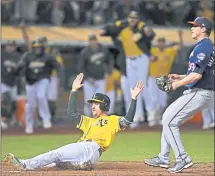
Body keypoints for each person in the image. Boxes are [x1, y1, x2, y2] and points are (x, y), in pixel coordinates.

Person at [5, 73, 144, 171]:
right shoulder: (89, 121)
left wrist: (133, 99)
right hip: (86, 152)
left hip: (91, 148)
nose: (93, 106)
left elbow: (128, 120)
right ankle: (82, 164)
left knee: (56, 154)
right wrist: (74, 91)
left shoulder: (112, 120)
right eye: (92, 103)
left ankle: (25, 164)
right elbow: (72, 113)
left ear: (104, 106)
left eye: (96, 103)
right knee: (56, 163)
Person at [144, 17, 214, 173]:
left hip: (200, 91)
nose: (192, 28)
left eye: (195, 26)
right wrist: (181, 77)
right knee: (167, 117)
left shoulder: (203, 47)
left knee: (169, 121)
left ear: (203, 29)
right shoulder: (206, 46)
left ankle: (182, 158)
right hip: (201, 91)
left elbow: (197, 76)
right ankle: (163, 157)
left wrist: (176, 85)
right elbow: (199, 72)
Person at [100, 11, 156, 128]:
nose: (132, 20)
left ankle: (151, 112)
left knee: (142, 85)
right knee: (133, 88)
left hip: (141, 58)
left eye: (135, 18)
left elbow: (149, 33)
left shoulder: (140, 29)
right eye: (130, 18)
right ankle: (137, 115)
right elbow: (111, 27)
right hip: (129, 60)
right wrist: (108, 28)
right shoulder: (123, 30)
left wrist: (145, 29)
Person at [15, 40, 60, 134]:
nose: (37, 49)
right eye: (35, 47)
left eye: (39, 47)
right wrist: (19, 68)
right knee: (30, 105)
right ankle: (29, 125)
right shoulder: (28, 56)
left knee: (41, 96)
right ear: (33, 48)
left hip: (43, 79)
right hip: (30, 81)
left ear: (42, 48)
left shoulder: (47, 56)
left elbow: (57, 66)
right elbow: (20, 66)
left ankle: (46, 119)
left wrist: (57, 74)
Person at [147, 30, 184, 126]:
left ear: (164, 43)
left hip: (164, 79)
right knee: (153, 99)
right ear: (157, 43)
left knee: (162, 101)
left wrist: (180, 36)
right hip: (153, 78)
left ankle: (158, 117)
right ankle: (151, 118)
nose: (161, 44)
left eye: (162, 42)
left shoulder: (169, 51)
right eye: (159, 42)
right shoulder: (153, 51)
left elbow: (180, 47)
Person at [79, 34, 114, 116]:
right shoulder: (85, 52)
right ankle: (87, 118)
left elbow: (110, 60)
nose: (93, 42)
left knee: (99, 101)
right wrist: (87, 77)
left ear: (96, 40)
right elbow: (81, 67)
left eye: (94, 40)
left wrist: (108, 72)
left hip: (101, 78)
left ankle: (99, 119)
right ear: (89, 42)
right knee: (88, 100)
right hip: (89, 80)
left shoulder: (103, 49)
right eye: (91, 40)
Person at [38, 36, 64, 124]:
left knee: (52, 99)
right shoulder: (35, 52)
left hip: (52, 77)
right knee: (41, 98)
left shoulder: (53, 51)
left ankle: (52, 118)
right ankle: (41, 119)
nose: (42, 44)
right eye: (40, 42)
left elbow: (59, 66)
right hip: (40, 77)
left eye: (43, 42)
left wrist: (59, 79)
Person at [1, 40, 21, 130]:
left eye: (12, 45)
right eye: (9, 45)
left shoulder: (17, 57)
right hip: (3, 82)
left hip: (13, 83)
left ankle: (12, 120)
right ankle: (2, 120)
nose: (10, 47)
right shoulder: (2, 55)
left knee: (14, 104)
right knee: (5, 100)